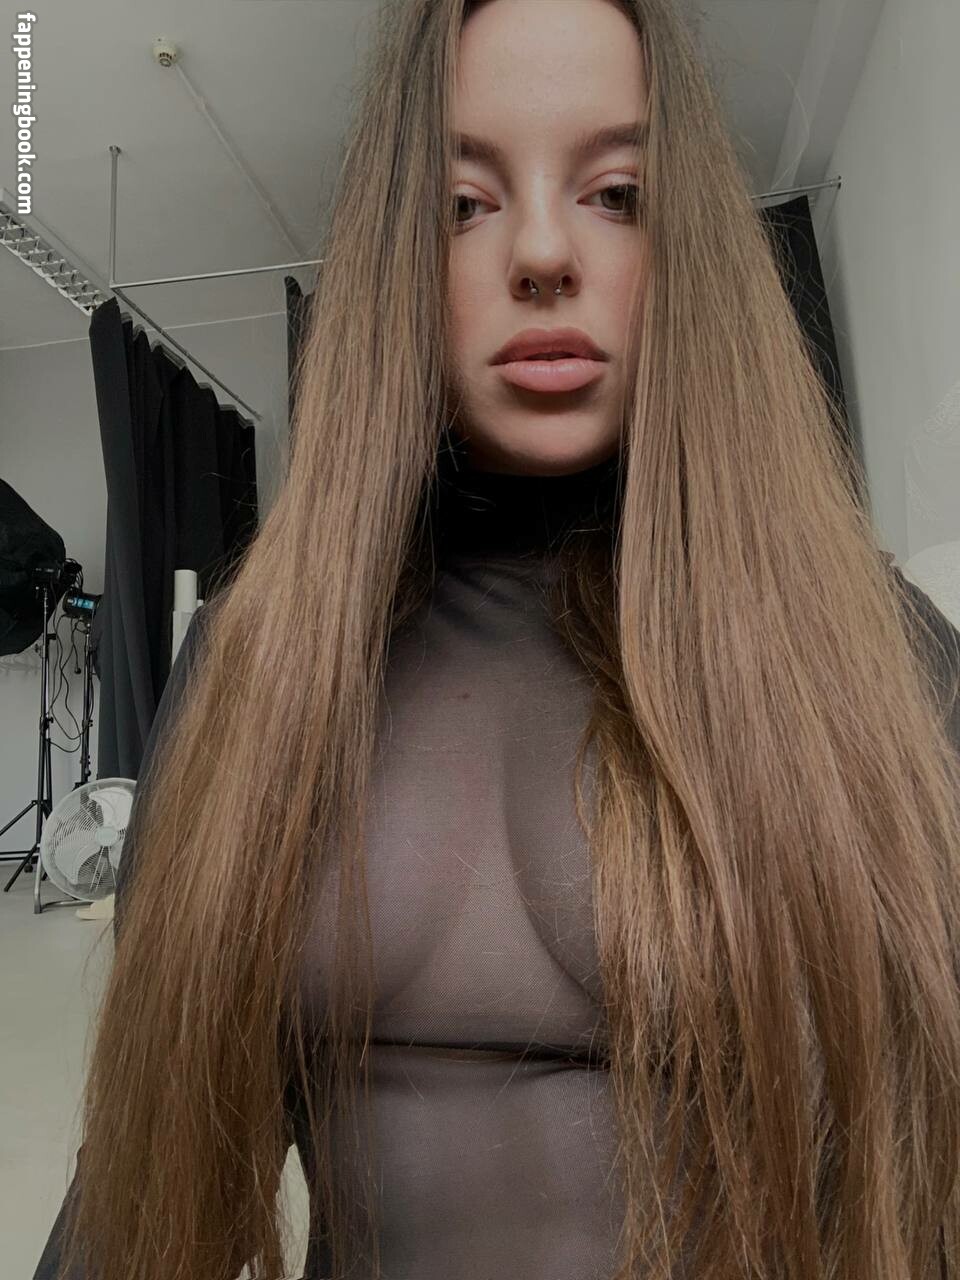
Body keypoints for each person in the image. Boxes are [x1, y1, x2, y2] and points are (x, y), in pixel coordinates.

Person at [34, 1, 960, 1278]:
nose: (540, 251)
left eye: (615, 193)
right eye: (464, 204)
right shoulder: (255, 672)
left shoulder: (875, 660)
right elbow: (135, 1183)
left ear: (687, 243)